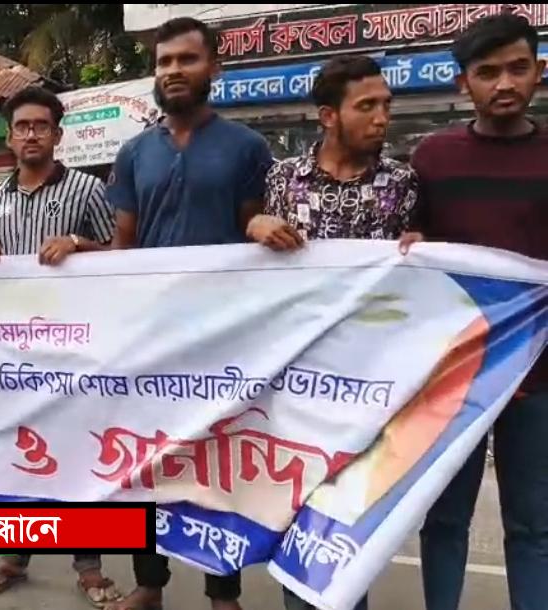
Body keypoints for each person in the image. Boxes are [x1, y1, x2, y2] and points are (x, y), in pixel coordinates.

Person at [106, 17, 274, 610]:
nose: (173, 70)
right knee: (144, 462)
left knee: (216, 464)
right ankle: (149, 584)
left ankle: (222, 591)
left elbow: (253, 235)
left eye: (186, 59)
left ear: (214, 69)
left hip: (222, 334)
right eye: (164, 62)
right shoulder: (134, 152)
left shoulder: (247, 147)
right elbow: (124, 247)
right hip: (150, 334)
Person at [249, 54, 417, 610]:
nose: (381, 117)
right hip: (296, 379)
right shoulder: (283, 179)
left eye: (386, 105)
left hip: (370, 380)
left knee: (348, 514)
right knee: (297, 504)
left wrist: (422, 250)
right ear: (328, 115)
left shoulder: (402, 184)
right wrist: (256, 224)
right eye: (366, 106)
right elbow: (253, 267)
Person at [397, 14, 548, 610]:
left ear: (539, 71)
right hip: (453, 375)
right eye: (487, 72)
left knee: (533, 526)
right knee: (443, 518)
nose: (503, 83)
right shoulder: (433, 158)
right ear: (464, 83)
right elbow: (411, 245)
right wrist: (409, 244)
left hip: (538, 377)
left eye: (517, 68)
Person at [0, 86, 120, 607]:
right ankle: (13, 557)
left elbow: (123, 256)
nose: (31, 134)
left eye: (41, 126)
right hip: (14, 350)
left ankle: (89, 567)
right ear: (9, 137)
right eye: (22, 127)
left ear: (57, 134)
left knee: (78, 452)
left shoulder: (87, 189)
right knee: (20, 452)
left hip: (77, 347)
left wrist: (78, 244)